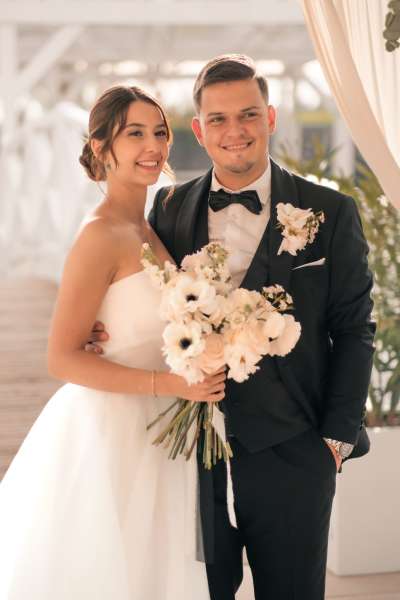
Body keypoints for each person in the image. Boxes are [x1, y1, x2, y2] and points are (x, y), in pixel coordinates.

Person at [91, 54, 375, 600]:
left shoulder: (330, 210)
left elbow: (354, 328)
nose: (235, 131)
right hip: (189, 453)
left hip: (296, 449)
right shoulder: (168, 208)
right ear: (200, 131)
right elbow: (145, 292)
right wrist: (104, 331)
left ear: (270, 118)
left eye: (248, 115)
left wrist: (335, 439)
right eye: (218, 119)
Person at [0, 85, 224, 599]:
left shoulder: (148, 224)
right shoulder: (100, 234)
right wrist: (169, 383)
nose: (153, 146)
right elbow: (61, 358)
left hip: (160, 427)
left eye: (160, 132)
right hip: (115, 430)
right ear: (101, 148)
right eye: (135, 134)